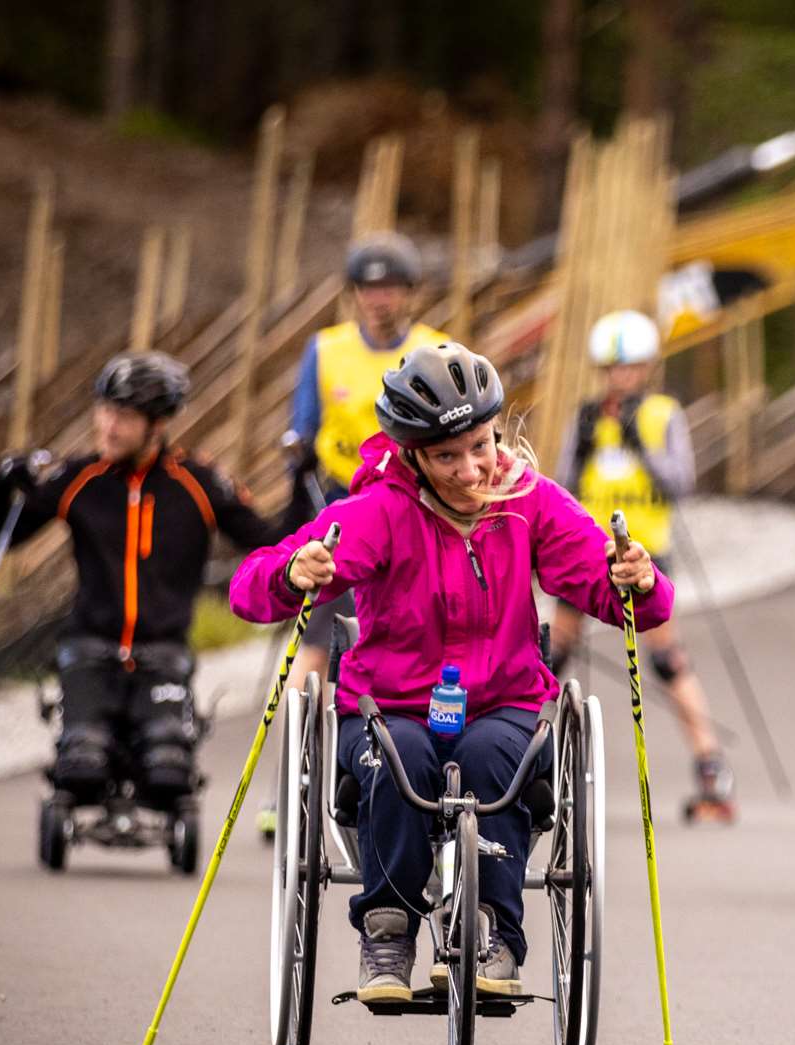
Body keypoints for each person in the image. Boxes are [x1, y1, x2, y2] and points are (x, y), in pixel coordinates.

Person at [230, 342, 674, 1004]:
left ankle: (495, 931)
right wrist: (293, 573)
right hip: (392, 707)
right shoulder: (379, 512)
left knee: (495, 753)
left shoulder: (532, 503)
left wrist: (636, 579)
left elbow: (620, 597)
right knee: (399, 755)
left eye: (482, 445)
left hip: (502, 702)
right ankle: (388, 928)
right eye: (446, 456)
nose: (471, 469)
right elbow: (251, 587)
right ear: (411, 455)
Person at [0, 351, 298, 813]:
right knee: (81, 767)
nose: (107, 426)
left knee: (167, 773)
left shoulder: (198, 482)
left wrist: (303, 480)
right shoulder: (78, 477)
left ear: (157, 424)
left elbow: (270, 541)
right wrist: (2, 484)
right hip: (89, 646)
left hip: (163, 651)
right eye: (104, 411)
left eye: (122, 416)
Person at [261, 234, 449, 838]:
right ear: (354, 295)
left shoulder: (432, 349)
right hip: (344, 511)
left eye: (389, 287)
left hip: (417, 509)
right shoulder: (326, 350)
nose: (378, 299)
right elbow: (303, 429)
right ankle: (286, 782)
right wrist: (295, 455)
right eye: (368, 288)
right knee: (313, 648)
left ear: (408, 293)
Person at [548, 309, 734, 820]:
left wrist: (638, 445)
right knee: (554, 652)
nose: (620, 378)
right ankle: (526, 754)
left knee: (667, 658)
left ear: (646, 368)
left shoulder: (663, 414)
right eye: (612, 369)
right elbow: (561, 485)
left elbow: (680, 482)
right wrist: (586, 449)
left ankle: (710, 763)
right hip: (586, 552)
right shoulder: (585, 416)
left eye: (629, 368)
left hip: (647, 552)